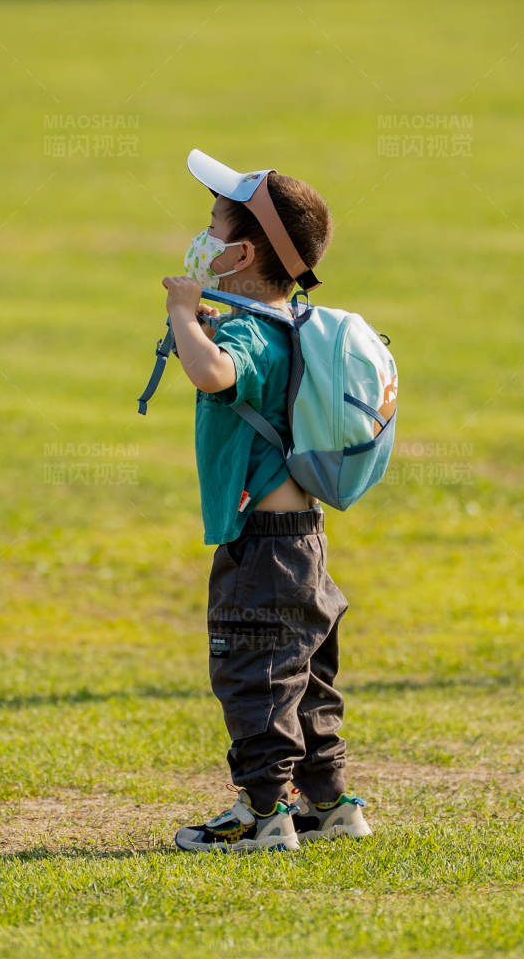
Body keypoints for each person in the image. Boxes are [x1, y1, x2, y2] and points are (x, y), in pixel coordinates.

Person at [160, 150, 371, 853]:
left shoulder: (248, 328)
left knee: (253, 674)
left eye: (213, 225)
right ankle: (332, 805)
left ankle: (262, 815)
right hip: (303, 541)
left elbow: (217, 375)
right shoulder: (292, 322)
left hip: (260, 547)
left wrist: (185, 314)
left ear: (242, 250)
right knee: (305, 680)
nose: (203, 235)